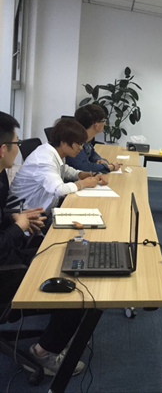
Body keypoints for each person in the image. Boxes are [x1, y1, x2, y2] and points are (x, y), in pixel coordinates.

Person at [0, 112, 85, 376]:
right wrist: (18, 227)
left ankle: (56, 333)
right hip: (5, 268)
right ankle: (44, 352)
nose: (19, 149)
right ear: (3, 149)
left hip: (11, 249)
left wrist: (15, 216)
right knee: (77, 290)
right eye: (16, 143)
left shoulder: (1, 175)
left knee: (70, 254)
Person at [8, 118, 108, 214]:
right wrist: (83, 183)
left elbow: (64, 169)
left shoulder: (55, 151)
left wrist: (83, 174)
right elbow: (59, 190)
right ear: (64, 142)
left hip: (41, 208)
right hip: (24, 214)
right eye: (78, 144)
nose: (80, 148)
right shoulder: (44, 160)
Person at [66, 105, 122, 173]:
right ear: (96, 125)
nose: (104, 124)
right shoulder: (76, 141)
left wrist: (99, 160)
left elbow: (92, 153)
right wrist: (110, 167)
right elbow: (84, 167)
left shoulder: (87, 138)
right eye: (103, 121)